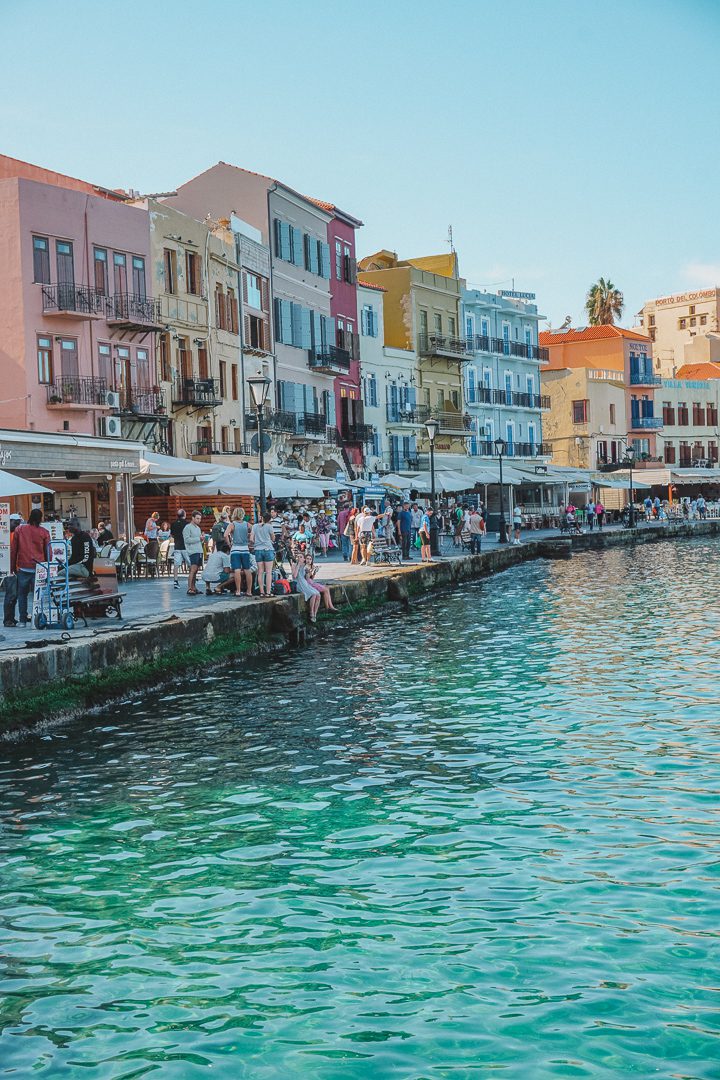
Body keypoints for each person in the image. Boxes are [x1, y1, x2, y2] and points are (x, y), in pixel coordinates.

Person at [10, 508, 51, 626]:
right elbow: (49, 551)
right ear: (40, 519)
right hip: (39, 567)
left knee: (22, 595)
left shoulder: (19, 529)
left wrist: (13, 566)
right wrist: (49, 567)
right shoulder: (44, 532)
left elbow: (14, 550)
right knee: (38, 595)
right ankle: (38, 618)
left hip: (23, 567)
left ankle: (22, 620)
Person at [225, 507, 253, 598]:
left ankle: (238, 591)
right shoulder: (247, 524)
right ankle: (249, 591)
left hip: (235, 549)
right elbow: (254, 532)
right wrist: (249, 539)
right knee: (247, 570)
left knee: (237, 570)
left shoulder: (232, 524)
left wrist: (229, 544)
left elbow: (225, 535)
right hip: (245, 549)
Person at [3, 514, 23, 627]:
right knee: (11, 594)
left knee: (14, 595)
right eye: (15, 523)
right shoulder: (4, 535)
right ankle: (7, 620)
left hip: (16, 568)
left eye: (19, 523)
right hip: (8, 568)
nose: (17, 525)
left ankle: (11, 617)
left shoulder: (16, 534)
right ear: (9, 522)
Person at [251, 512, 276, 598]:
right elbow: (273, 538)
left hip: (258, 550)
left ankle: (261, 592)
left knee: (260, 572)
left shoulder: (254, 526)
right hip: (268, 549)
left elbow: (251, 539)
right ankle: (268, 592)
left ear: (261, 518)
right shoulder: (269, 526)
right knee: (268, 572)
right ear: (269, 519)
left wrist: (257, 542)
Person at [292, 552, 321, 623]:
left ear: (303, 559)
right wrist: (298, 565)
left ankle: (315, 614)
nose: (299, 558)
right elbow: (294, 576)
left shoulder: (305, 566)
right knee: (313, 595)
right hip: (298, 583)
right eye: (298, 557)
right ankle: (311, 612)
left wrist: (313, 572)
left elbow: (308, 578)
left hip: (305, 583)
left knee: (318, 595)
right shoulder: (294, 564)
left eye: (301, 557)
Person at [183, 510, 204, 595]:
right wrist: (199, 539)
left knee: (196, 570)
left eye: (200, 519)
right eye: (197, 518)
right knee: (193, 569)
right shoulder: (188, 527)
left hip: (199, 550)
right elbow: (187, 540)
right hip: (193, 551)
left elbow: (199, 540)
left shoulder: (198, 528)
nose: (199, 520)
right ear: (193, 518)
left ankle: (194, 587)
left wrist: (202, 539)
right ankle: (189, 588)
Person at [170, 510, 190, 588]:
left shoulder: (173, 524)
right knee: (190, 564)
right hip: (185, 547)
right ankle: (192, 579)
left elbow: (172, 535)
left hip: (177, 546)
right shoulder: (187, 524)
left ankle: (175, 581)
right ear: (184, 515)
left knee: (176, 564)